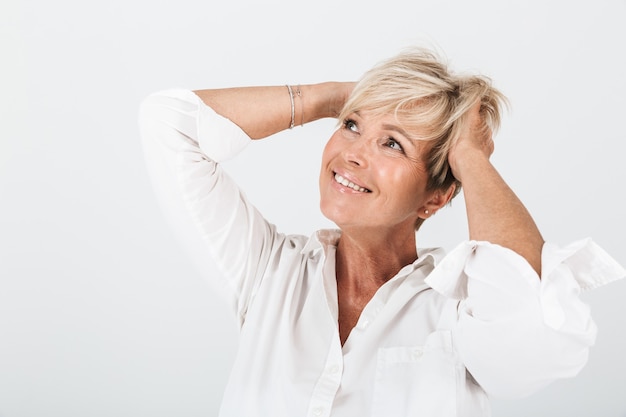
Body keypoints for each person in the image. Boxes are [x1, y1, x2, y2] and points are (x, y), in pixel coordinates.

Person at [138, 47, 624, 417]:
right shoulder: (271, 273)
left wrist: (471, 158)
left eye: (392, 143)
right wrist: (330, 98)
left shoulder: (459, 311)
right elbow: (169, 124)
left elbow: (533, 336)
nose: (352, 153)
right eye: (350, 126)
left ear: (436, 197)